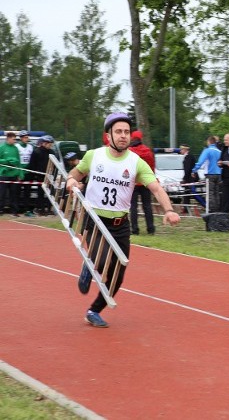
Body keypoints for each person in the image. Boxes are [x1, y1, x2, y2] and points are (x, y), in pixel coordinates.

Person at [66, 112, 180, 328]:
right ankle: (89, 265)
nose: (123, 136)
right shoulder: (94, 155)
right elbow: (77, 173)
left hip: (120, 224)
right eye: (118, 132)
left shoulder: (136, 162)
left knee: (118, 273)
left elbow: (155, 187)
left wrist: (168, 210)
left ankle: (94, 310)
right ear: (108, 135)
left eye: (126, 132)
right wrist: (72, 180)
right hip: (95, 219)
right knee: (101, 261)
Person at [128, 130, 156, 235]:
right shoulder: (148, 151)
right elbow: (152, 166)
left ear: (132, 139)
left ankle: (135, 230)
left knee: (133, 206)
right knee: (147, 206)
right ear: (141, 139)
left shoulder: (129, 152)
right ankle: (151, 229)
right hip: (145, 182)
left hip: (133, 182)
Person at [27, 135, 56, 216]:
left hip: (49, 176)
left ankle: (49, 208)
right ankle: (40, 209)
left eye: (51, 144)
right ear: (44, 143)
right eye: (49, 144)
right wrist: (35, 174)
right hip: (40, 176)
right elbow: (32, 164)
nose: (50, 145)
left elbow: (54, 165)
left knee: (51, 193)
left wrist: (53, 173)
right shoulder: (36, 151)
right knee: (40, 193)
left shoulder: (52, 152)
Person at [192, 136, 222, 213]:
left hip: (210, 174)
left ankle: (211, 210)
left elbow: (200, 161)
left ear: (208, 142)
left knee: (210, 193)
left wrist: (194, 170)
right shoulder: (219, 151)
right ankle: (218, 209)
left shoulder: (207, 150)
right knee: (217, 192)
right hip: (219, 174)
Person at [0, 132, 21, 217]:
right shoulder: (2, 148)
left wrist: (20, 174)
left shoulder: (16, 148)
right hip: (4, 174)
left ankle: (14, 211)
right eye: (13, 139)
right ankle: (1, 209)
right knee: (2, 193)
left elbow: (18, 161)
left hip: (14, 174)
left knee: (14, 193)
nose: (14, 141)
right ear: (8, 139)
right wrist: (6, 161)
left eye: (15, 139)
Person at [16, 130, 35, 216]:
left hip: (28, 172)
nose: (26, 139)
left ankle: (27, 210)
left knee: (27, 192)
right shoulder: (17, 146)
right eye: (25, 137)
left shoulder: (30, 147)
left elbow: (32, 159)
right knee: (18, 191)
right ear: (21, 138)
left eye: (27, 137)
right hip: (20, 171)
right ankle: (17, 209)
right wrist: (19, 171)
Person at [180, 144, 198, 209]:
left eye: (181, 149)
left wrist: (184, 179)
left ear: (185, 150)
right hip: (189, 178)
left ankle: (205, 204)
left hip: (191, 178)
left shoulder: (189, 157)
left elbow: (188, 169)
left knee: (193, 194)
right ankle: (186, 208)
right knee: (186, 193)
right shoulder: (187, 157)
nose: (180, 150)